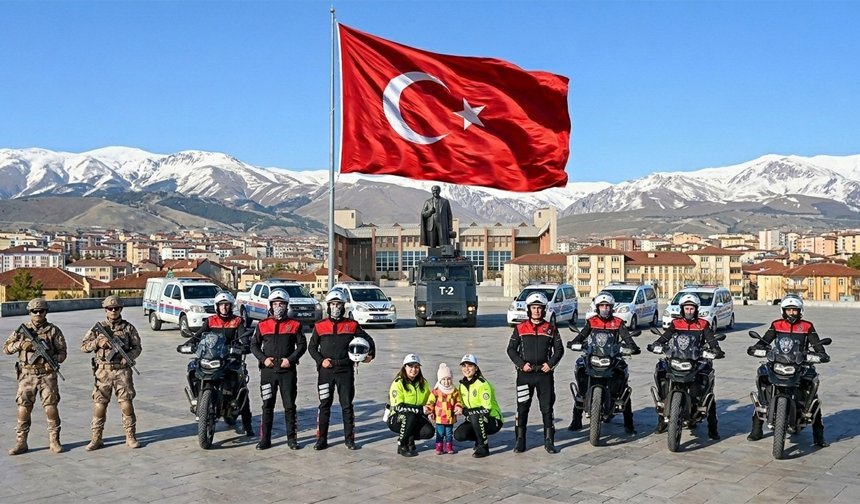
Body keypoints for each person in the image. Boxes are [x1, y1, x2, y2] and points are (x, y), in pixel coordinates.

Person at [746, 295, 830, 447]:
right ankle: (756, 429)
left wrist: (821, 353)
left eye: (794, 310)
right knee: (763, 380)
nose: (791, 313)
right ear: (783, 310)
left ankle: (819, 436)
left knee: (813, 394)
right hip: (778, 362)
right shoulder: (776, 324)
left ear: (800, 311)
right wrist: (756, 347)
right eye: (788, 310)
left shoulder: (807, 326)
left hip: (800, 365)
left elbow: (817, 345)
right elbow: (765, 340)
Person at [648, 293, 725, 440]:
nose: (689, 311)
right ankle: (662, 420)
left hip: (697, 360)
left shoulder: (703, 324)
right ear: (682, 309)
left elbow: (711, 339)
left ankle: (712, 427)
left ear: (696, 309)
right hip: (677, 358)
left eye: (691, 308)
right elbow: (666, 336)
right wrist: (657, 344)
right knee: (662, 371)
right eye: (686, 308)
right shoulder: (676, 323)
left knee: (707, 386)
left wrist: (716, 349)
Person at [180, 292, 255, 438]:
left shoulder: (237, 321)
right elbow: (198, 335)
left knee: (242, 388)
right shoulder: (210, 321)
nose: (224, 307)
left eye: (227, 305)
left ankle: (248, 425)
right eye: (221, 305)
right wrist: (188, 344)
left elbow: (244, 338)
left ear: (231, 306)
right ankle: (197, 398)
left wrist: (244, 346)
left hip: (230, 358)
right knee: (193, 368)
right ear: (217, 306)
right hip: (211, 357)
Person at [308, 290, 375, 450]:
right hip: (326, 372)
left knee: (347, 405)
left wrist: (370, 355)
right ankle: (321, 439)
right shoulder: (320, 325)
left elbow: (368, 339)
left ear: (343, 306)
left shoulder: (352, 325)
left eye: (338, 304)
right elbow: (312, 347)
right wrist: (321, 361)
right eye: (332, 304)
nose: (335, 307)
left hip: (345, 371)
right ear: (328, 306)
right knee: (324, 405)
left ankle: (349, 439)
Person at [566, 292, 640, 434]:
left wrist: (632, 347)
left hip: (612, 357)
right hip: (593, 356)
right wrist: (574, 343)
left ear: (611, 307)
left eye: (607, 306)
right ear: (597, 307)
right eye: (602, 306)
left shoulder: (618, 322)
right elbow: (582, 335)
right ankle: (576, 419)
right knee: (581, 371)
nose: (605, 308)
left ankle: (629, 423)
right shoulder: (592, 321)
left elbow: (627, 338)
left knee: (623, 383)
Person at [3, 298, 67, 455]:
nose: (38, 314)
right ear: (29, 312)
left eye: (41, 311)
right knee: (23, 408)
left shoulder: (53, 331)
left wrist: (54, 361)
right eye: (34, 311)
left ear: (46, 312)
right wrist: (21, 344)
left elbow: (62, 352)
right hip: (27, 375)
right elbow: (6, 348)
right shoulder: (21, 331)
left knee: (51, 407)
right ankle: (21, 442)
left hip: (47, 375)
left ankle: (54, 440)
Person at [81, 296, 143, 450]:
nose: (113, 311)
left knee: (126, 403)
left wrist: (128, 357)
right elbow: (84, 347)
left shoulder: (128, 328)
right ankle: (96, 438)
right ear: (105, 310)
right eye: (110, 308)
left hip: (122, 371)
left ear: (121, 309)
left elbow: (137, 347)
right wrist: (98, 342)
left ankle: (130, 436)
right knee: (100, 404)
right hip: (103, 371)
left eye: (116, 308)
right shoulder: (98, 328)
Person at [507, 292, 564, 454]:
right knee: (522, 408)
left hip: (544, 375)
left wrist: (550, 364)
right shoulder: (520, 328)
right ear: (529, 309)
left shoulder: (551, 328)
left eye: (539, 308)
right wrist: (521, 364)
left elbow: (559, 350)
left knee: (547, 408)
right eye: (534, 308)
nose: (537, 311)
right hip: (525, 375)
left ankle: (549, 440)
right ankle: (520, 440)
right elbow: (511, 349)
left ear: (544, 309)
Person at [250, 289, 307, 450]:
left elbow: (302, 345)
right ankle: (265, 439)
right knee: (267, 405)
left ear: (286, 305)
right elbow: (254, 345)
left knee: (289, 406)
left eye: (281, 304)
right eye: (275, 304)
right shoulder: (262, 325)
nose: (278, 307)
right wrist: (263, 359)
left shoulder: (295, 325)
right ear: (270, 305)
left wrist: (291, 359)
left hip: (287, 371)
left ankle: (292, 439)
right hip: (268, 372)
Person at [454, 354, 503, 458]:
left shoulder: (482, 384)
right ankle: (479, 437)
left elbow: (486, 409)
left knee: (475, 416)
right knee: (459, 435)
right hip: (474, 418)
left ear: (476, 368)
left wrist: (466, 412)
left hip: (492, 419)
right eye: (464, 366)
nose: (466, 369)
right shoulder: (462, 385)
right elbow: (462, 404)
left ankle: (483, 446)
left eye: (470, 366)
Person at [388, 354, 434, 456]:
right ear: (405, 367)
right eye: (410, 366)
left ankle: (409, 438)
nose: (414, 370)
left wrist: (430, 411)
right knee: (409, 416)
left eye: (416, 367)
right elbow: (398, 407)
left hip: (416, 417)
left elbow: (428, 401)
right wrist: (420, 409)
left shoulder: (423, 383)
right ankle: (402, 444)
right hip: (397, 417)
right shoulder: (398, 383)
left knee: (429, 431)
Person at [424, 362, 462, 455]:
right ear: (440, 380)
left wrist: (458, 406)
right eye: (444, 379)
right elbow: (431, 401)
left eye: (448, 379)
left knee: (449, 433)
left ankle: (449, 446)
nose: (446, 382)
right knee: (440, 433)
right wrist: (429, 409)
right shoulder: (436, 391)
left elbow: (458, 400)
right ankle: (439, 447)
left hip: (450, 417)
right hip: (440, 417)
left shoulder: (454, 391)